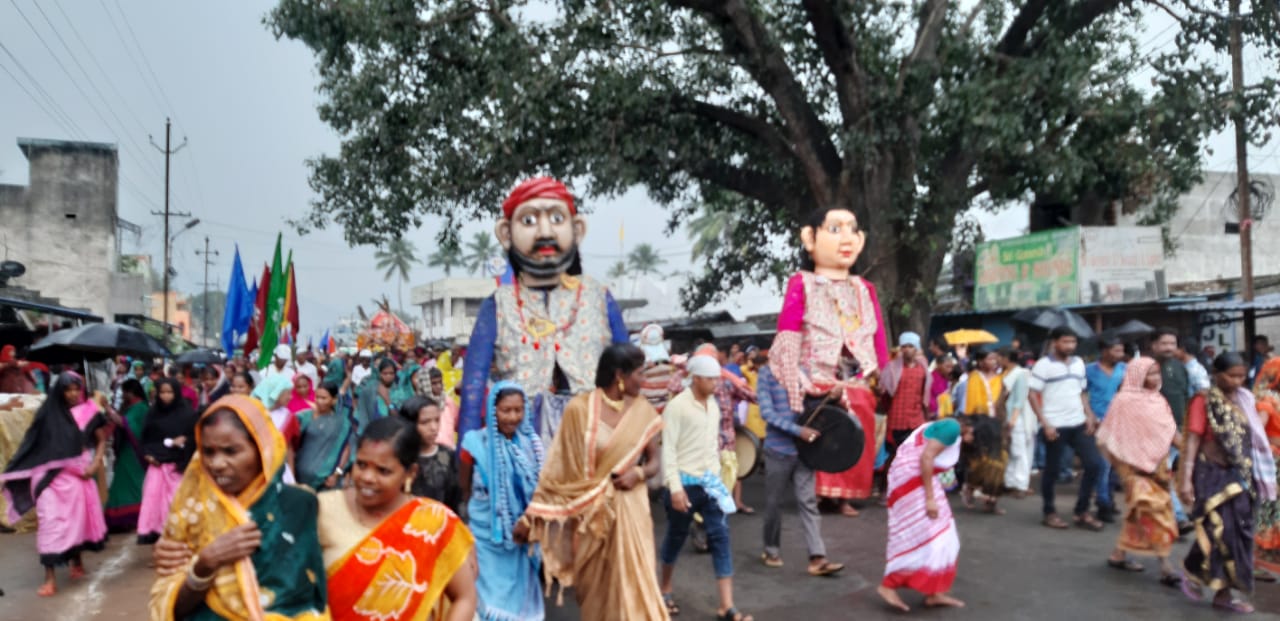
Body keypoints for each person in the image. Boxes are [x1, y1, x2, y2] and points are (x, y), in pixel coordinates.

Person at [154, 415, 480, 620]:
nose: (367, 478)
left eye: (384, 471)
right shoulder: (317, 507)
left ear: (409, 472)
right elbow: (252, 551)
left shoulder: (433, 522)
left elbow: (464, 597)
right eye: (362, 464)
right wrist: (186, 556)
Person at [459, 177, 630, 446]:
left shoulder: (598, 297)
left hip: (595, 440)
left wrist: (636, 445)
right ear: (506, 233)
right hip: (521, 444)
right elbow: (473, 389)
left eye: (556, 219)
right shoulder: (499, 304)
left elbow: (628, 374)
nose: (545, 233)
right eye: (529, 221)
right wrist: (466, 456)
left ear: (577, 229)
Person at [515, 343, 668, 620]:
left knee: (635, 584)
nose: (644, 381)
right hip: (590, 514)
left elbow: (655, 462)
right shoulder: (579, 409)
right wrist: (532, 516)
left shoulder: (644, 411)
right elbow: (557, 471)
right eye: (639, 374)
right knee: (594, 589)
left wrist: (639, 473)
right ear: (619, 375)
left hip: (631, 509)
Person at [146, 395, 329, 620]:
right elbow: (172, 608)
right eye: (208, 452)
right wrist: (205, 564)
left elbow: (308, 598)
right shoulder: (191, 512)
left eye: (231, 451)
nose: (217, 464)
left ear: (263, 450)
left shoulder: (299, 506)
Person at [771, 207, 888, 517]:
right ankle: (819, 495)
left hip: (856, 380)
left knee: (857, 435)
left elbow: (878, 336)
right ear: (811, 238)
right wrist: (794, 376)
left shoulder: (865, 289)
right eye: (835, 229)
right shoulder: (802, 283)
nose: (846, 238)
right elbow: (788, 332)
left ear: (861, 239)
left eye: (852, 228)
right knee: (822, 434)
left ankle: (845, 497)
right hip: (815, 378)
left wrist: (882, 372)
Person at [1178, 353, 1277, 613]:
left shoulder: (1245, 399)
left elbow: (1253, 440)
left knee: (1241, 532)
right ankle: (1209, 582)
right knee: (1219, 531)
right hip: (1211, 473)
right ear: (1216, 373)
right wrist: (1186, 479)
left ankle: (1210, 582)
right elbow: (1193, 440)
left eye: (1241, 376)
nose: (1236, 381)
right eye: (1231, 375)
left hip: (1241, 474)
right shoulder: (1204, 401)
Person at [657, 355, 752, 621]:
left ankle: (727, 606)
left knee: (721, 538)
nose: (715, 384)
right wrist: (675, 488)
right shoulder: (676, 407)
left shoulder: (712, 405)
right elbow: (669, 451)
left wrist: (721, 482)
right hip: (684, 486)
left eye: (716, 379)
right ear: (695, 378)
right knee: (675, 538)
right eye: (710, 379)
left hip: (710, 484)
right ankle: (664, 590)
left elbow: (712, 447)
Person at [1, 372, 109, 597]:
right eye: (67, 389)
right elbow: (31, 446)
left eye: (75, 389)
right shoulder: (46, 415)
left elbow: (101, 439)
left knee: (75, 522)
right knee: (49, 523)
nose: (72, 394)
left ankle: (76, 563)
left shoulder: (89, 412)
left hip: (79, 477)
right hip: (49, 478)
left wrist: (96, 462)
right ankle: (49, 578)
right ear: (59, 391)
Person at [458, 382, 545, 621]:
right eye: (506, 410)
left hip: (522, 535)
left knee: (519, 601)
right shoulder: (474, 444)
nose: (513, 417)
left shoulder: (532, 445)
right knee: (488, 598)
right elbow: (463, 490)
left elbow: (543, 490)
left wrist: (529, 520)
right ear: (492, 410)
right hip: (485, 537)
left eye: (518, 410)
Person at [1094, 357, 1180, 583]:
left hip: (1158, 467)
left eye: (1157, 373)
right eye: (1151, 373)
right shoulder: (1123, 401)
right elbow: (1108, 437)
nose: (1156, 378)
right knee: (1154, 511)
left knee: (1137, 512)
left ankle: (1118, 554)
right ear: (1137, 375)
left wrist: (1193, 451)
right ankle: (1165, 566)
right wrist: (1123, 464)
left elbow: (1170, 432)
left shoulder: (1159, 400)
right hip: (1131, 467)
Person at [757, 361, 844, 577]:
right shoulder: (766, 373)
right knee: (773, 504)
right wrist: (798, 431)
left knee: (808, 502)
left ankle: (817, 558)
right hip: (778, 449)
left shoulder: (803, 371)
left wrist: (830, 397)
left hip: (804, 451)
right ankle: (771, 549)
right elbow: (767, 413)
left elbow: (812, 405)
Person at [877, 418, 965, 612]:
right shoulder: (952, 428)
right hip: (912, 480)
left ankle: (934, 592)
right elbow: (926, 458)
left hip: (911, 477)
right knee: (922, 535)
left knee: (945, 536)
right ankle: (888, 585)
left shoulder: (946, 424)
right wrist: (930, 499)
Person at [1029, 327, 1104, 531]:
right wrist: (1045, 423)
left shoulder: (1079, 363)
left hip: (1078, 422)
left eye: (1072, 342)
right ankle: (1049, 512)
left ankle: (1082, 511)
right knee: (1052, 470)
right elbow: (1032, 395)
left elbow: (1081, 393)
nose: (1070, 346)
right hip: (1055, 424)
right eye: (1065, 342)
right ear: (1055, 343)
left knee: (1094, 464)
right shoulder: (1043, 366)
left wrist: (1089, 415)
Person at [137, 378, 199, 544]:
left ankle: (180, 544)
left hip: (178, 466)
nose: (165, 396)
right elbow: (145, 439)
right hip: (157, 466)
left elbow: (196, 436)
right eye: (162, 392)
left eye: (169, 392)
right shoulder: (152, 414)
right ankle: (161, 546)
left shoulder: (187, 414)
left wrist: (185, 439)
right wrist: (148, 454)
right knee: (155, 507)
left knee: (177, 505)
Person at [1152, 328, 1194, 534]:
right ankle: (1178, 517)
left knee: (1169, 474)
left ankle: (1176, 514)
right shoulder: (1147, 368)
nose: (1169, 348)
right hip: (1156, 431)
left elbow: (1187, 395)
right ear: (1154, 346)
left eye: (1172, 343)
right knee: (1163, 473)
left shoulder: (1180, 367)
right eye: (1164, 343)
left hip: (1180, 427)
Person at [959, 348, 1007, 514]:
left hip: (996, 424)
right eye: (990, 359)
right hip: (979, 423)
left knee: (998, 463)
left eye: (995, 358)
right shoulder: (974, 378)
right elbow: (971, 406)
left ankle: (992, 501)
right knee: (980, 462)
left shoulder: (1001, 379)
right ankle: (970, 486)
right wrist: (969, 429)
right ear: (980, 361)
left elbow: (1004, 403)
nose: (994, 362)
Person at [1086, 338, 1127, 522]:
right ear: (1104, 351)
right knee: (1103, 465)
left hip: (1121, 422)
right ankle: (1102, 503)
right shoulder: (1089, 371)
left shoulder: (1124, 370)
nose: (1119, 354)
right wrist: (1089, 416)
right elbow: (1081, 394)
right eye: (1116, 350)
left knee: (1115, 467)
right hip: (1098, 422)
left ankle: (1109, 498)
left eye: (1121, 350)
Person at [880, 332, 932, 473]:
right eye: (904, 346)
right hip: (897, 418)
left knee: (916, 453)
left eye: (910, 346)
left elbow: (925, 393)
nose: (907, 349)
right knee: (894, 454)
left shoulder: (923, 369)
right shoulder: (892, 368)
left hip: (916, 418)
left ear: (916, 348)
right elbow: (884, 394)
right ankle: (887, 486)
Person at [401, 396, 461, 513]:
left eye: (437, 420)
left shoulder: (448, 456)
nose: (434, 428)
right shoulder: (399, 457)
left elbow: (457, 499)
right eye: (425, 422)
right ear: (409, 424)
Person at [105, 379, 149, 532]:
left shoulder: (140, 407)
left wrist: (108, 409)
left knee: (131, 483)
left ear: (132, 392)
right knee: (125, 483)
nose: (123, 395)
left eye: (125, 391)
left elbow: (126, 424)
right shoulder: (131, 406)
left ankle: (132, 516)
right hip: (127, 450)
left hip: (133, 452)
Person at [294, 381, 354, 492]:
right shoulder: (303, 417)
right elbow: (290, 447)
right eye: (317, 397)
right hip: (298, 478)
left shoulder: (342, 423)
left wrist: (337, 474)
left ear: (334, 400)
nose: (319, 401)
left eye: (324, 398)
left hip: (326, 481)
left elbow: (345, 449)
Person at [1252, 357, 1280, 578]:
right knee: (1270, 508)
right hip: (1273, 461)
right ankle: (1258, 558)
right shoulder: (1267, 399)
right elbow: (1257, 429)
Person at [1000, 348, 1035, 497]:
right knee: (1011, 451)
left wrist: (1013, 420)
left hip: (1017, 418)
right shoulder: (1006, 373)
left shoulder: (1021, 374)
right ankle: (1009, 482)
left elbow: (1019, 400)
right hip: (1008, 416)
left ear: (1007, 358)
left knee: (1019, 452)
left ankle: (1021, 484)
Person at [355, 359, 398, 432]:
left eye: (391, 373)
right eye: (385, 373)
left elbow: (398, 417)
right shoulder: (370, 389)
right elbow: (362, 410)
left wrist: (387, 400)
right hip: (372, 432)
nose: (388, 376)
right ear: (380, 373)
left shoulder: (399, 391)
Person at [929, 355, 956, 419]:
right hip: (935, 414)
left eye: (952, 367)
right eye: (947, 367)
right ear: (938, 365)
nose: (950, 370)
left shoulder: (946, 378)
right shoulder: (932, 378)